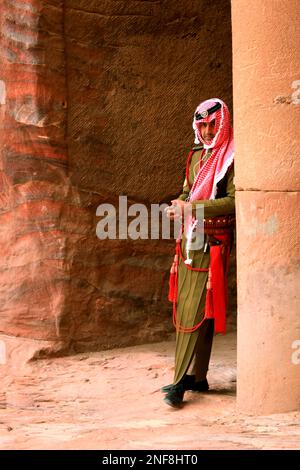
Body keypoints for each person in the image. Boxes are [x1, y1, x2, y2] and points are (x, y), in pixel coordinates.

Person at [163, 98, 235, 408]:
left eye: (212, 125)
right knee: (195, 307)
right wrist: (175, 206)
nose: (206, 131)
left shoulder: (232, 156)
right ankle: (199, 377)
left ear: (222, 124)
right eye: (202, 125)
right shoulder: (195, 155)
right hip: (189, 236)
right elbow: (186, 192)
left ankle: (179, 382)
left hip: (214, 239)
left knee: (194, 307)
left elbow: (233, 201)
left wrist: (192, 207)